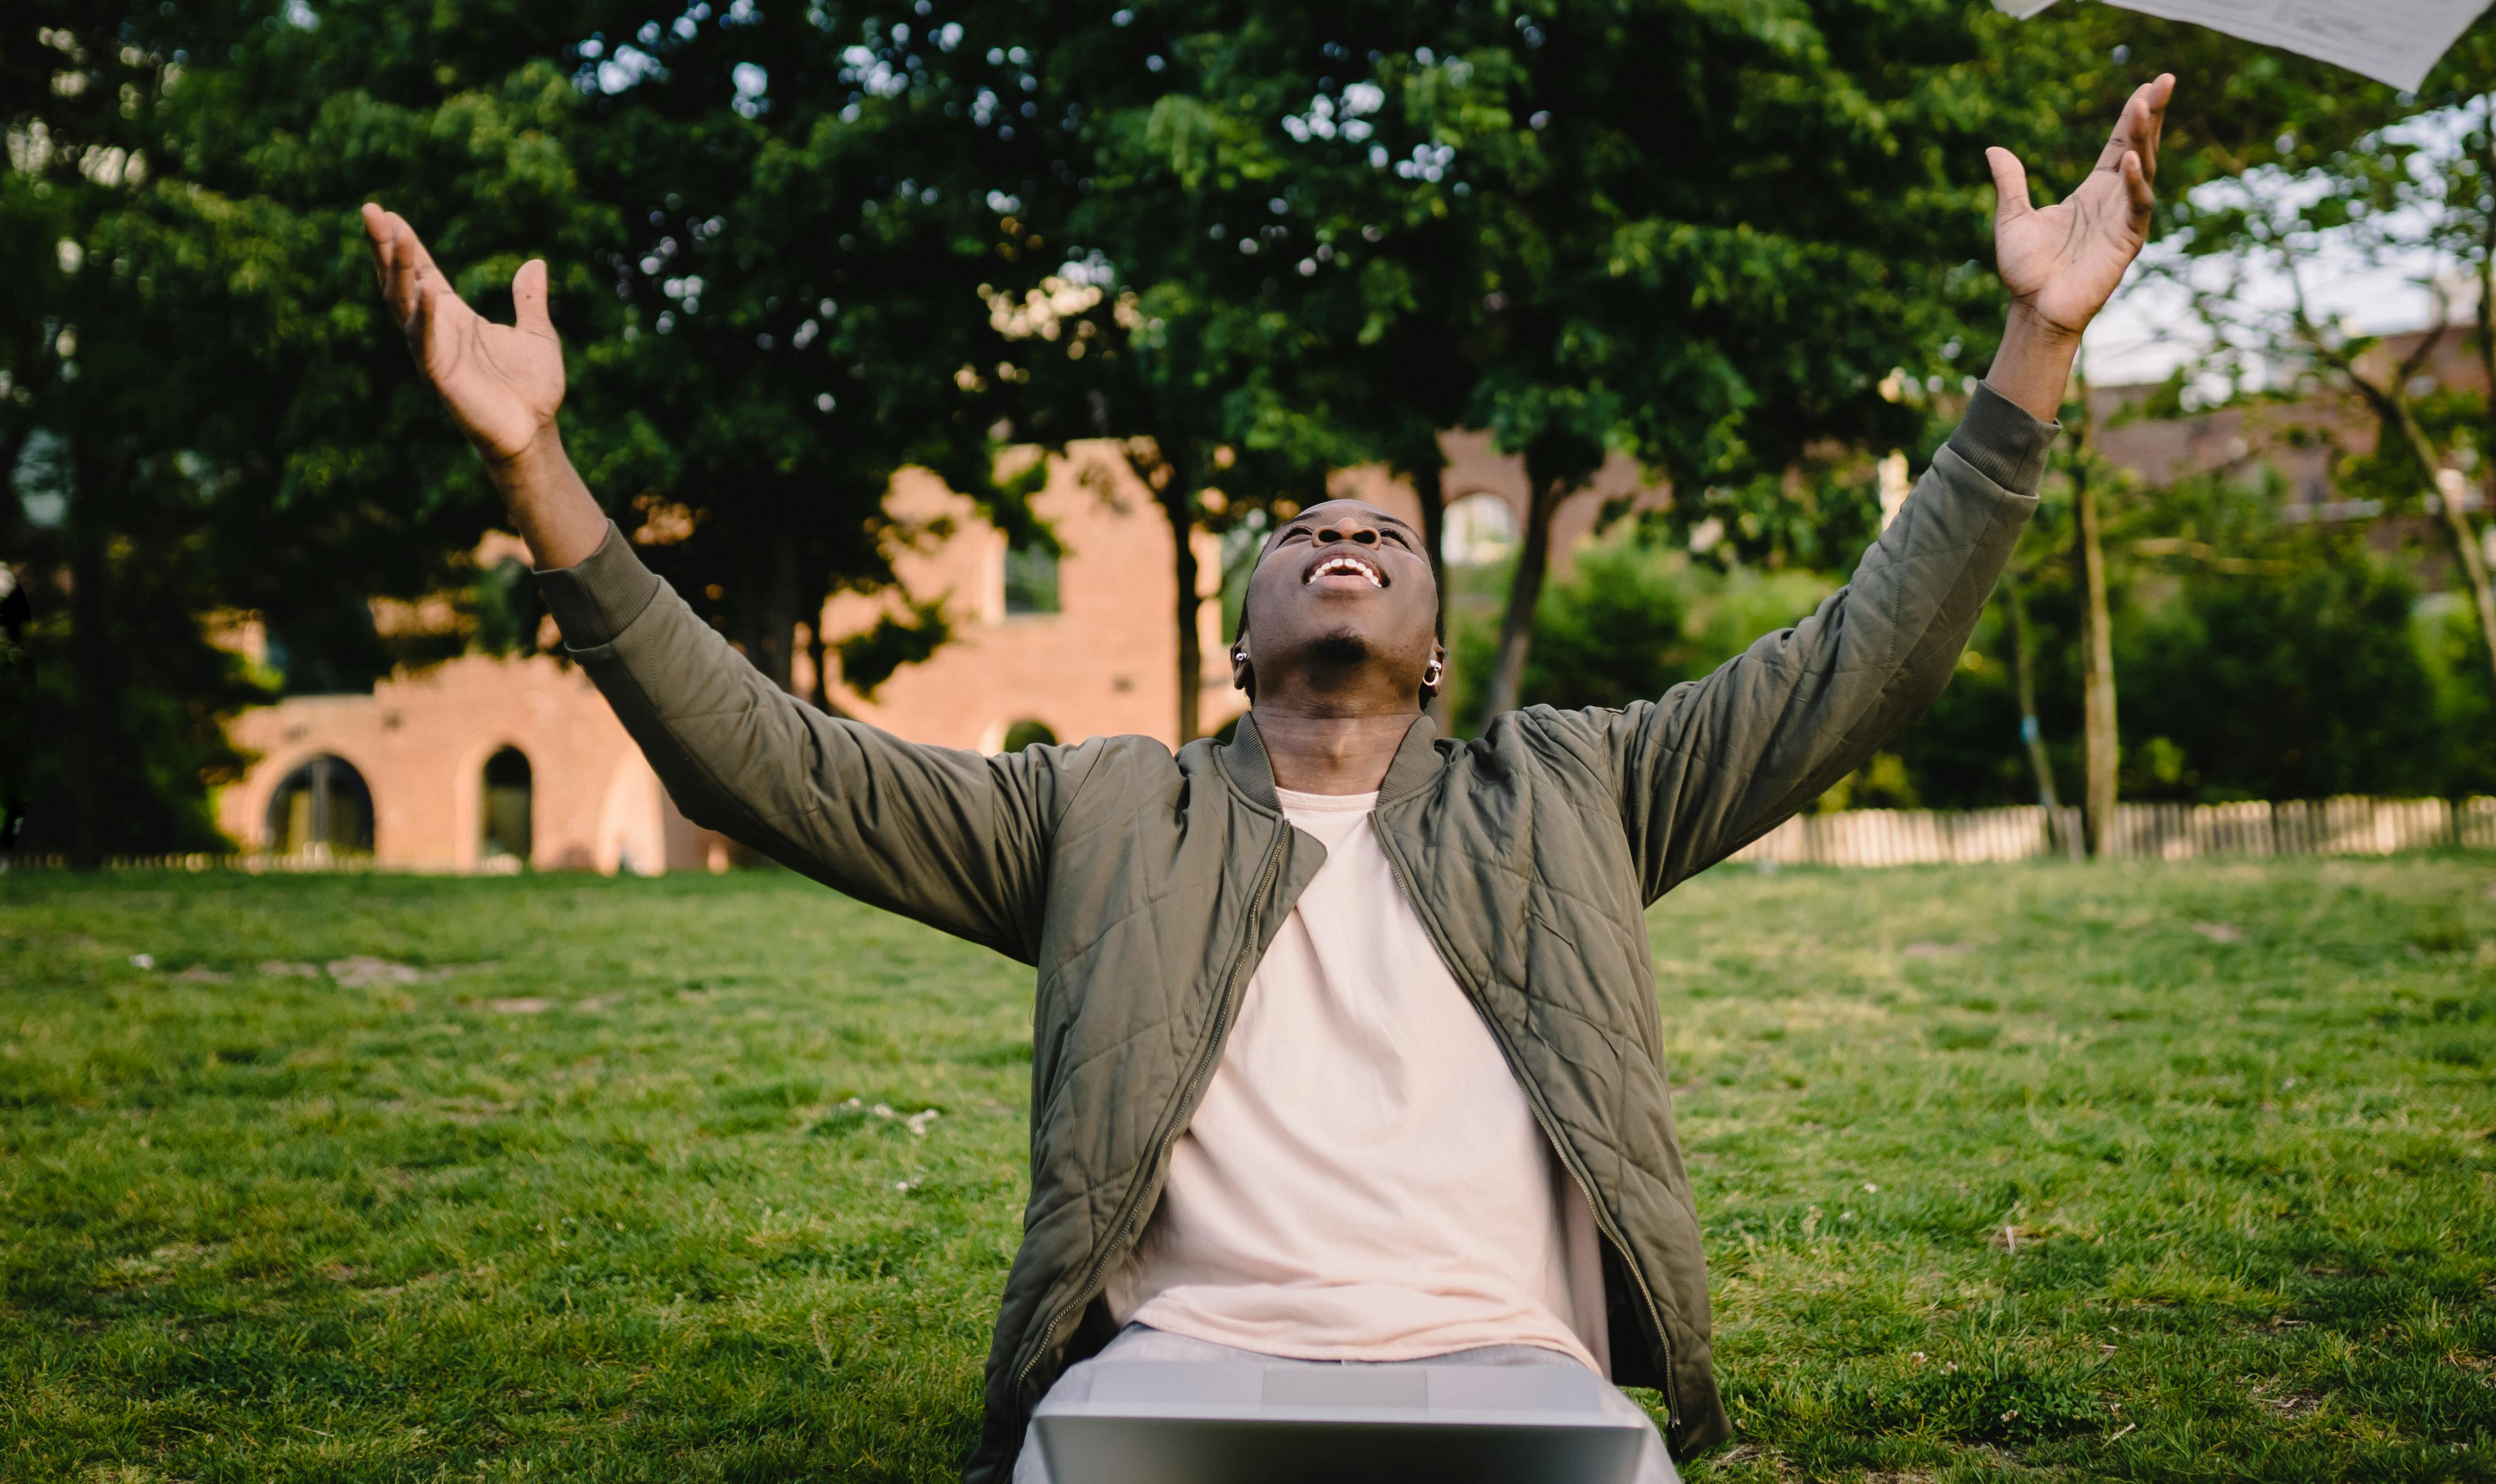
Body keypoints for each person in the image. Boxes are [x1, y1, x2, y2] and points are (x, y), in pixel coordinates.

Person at [360, 75, 2173, 1482]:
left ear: (1442, 646)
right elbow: (765, 758)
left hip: (1516, 1387)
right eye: (1303, 530)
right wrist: (539, 470)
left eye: (1381, 528)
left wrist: (2039, 346)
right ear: (1238, 643)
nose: (1341, 533)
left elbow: (1865, 661)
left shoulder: (1577, 787)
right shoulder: (1097, 814)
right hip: (1164, 1391)